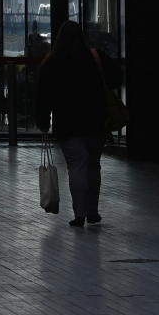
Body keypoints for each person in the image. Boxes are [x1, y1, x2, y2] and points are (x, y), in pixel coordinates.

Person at [35, 21, 108, 227]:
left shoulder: (53, 62)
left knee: (77, 165)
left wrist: (42, 120)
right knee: (93, 165)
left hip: (68, 124)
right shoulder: (94, 57)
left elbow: (43, 96)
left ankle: (80, 214)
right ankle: (93, 211)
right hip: (96, 121)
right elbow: (114, 78)